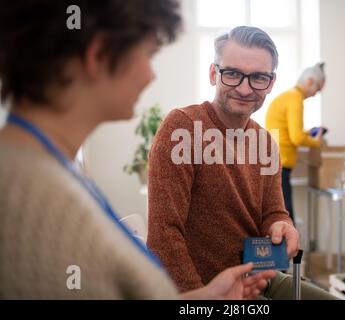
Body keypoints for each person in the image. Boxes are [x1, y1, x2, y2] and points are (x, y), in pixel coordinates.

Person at [0, 0, 276, 299]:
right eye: (148, 54)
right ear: (100, 55)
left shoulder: (44, 173)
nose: (151, 75)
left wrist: (204, 299)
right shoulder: (35, 198)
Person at [147, 26, 336, 300]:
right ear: (214, 74)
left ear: (271, 83)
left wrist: (281, 225)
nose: (245, 88)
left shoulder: (266, 142)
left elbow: (273, 212)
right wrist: (202, 299)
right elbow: (164, 236)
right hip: (209, 291)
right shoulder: (182, 129)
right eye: (233, 74)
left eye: (258, 77)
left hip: (261, 279)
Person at [265, 63, 326, 225]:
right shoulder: (295, 98)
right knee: (286, 217)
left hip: (274, 163)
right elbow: (297, 138)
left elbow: (291, 132)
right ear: (310, 81)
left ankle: (288, 250)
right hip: (280, 165)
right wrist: (315, 142)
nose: (315, 95)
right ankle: (290, 251)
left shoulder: (288, 96)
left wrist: (308, 133)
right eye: (317, 90)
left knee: (282, 215)